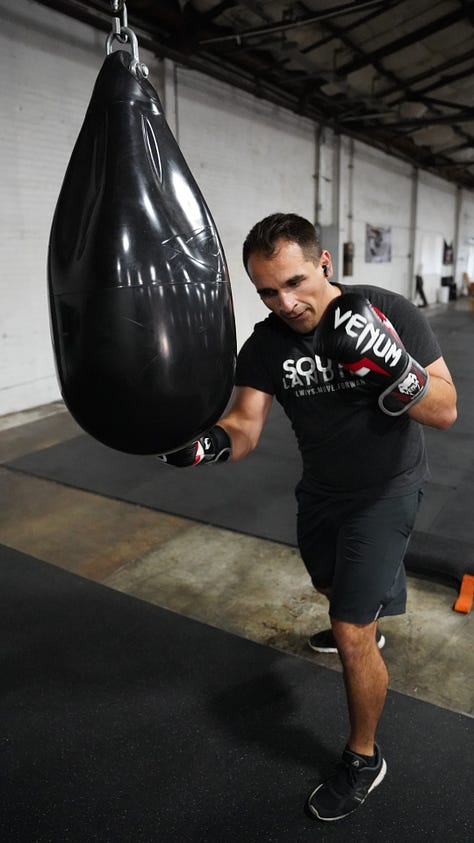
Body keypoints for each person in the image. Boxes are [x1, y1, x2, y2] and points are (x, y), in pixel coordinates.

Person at [158, 213, 457, 822]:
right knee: (329, 588)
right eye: (267, 290)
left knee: (348, 631)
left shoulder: (387, 311)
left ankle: (363, 758)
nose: (285, 302)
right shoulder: (267, 344)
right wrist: (200, 445)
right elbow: (245, 426)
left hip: (388, 489)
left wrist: (396, 373)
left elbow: (446, 409)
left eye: (294, 282)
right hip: (322, 492)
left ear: (324, 264)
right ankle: (369, 607)